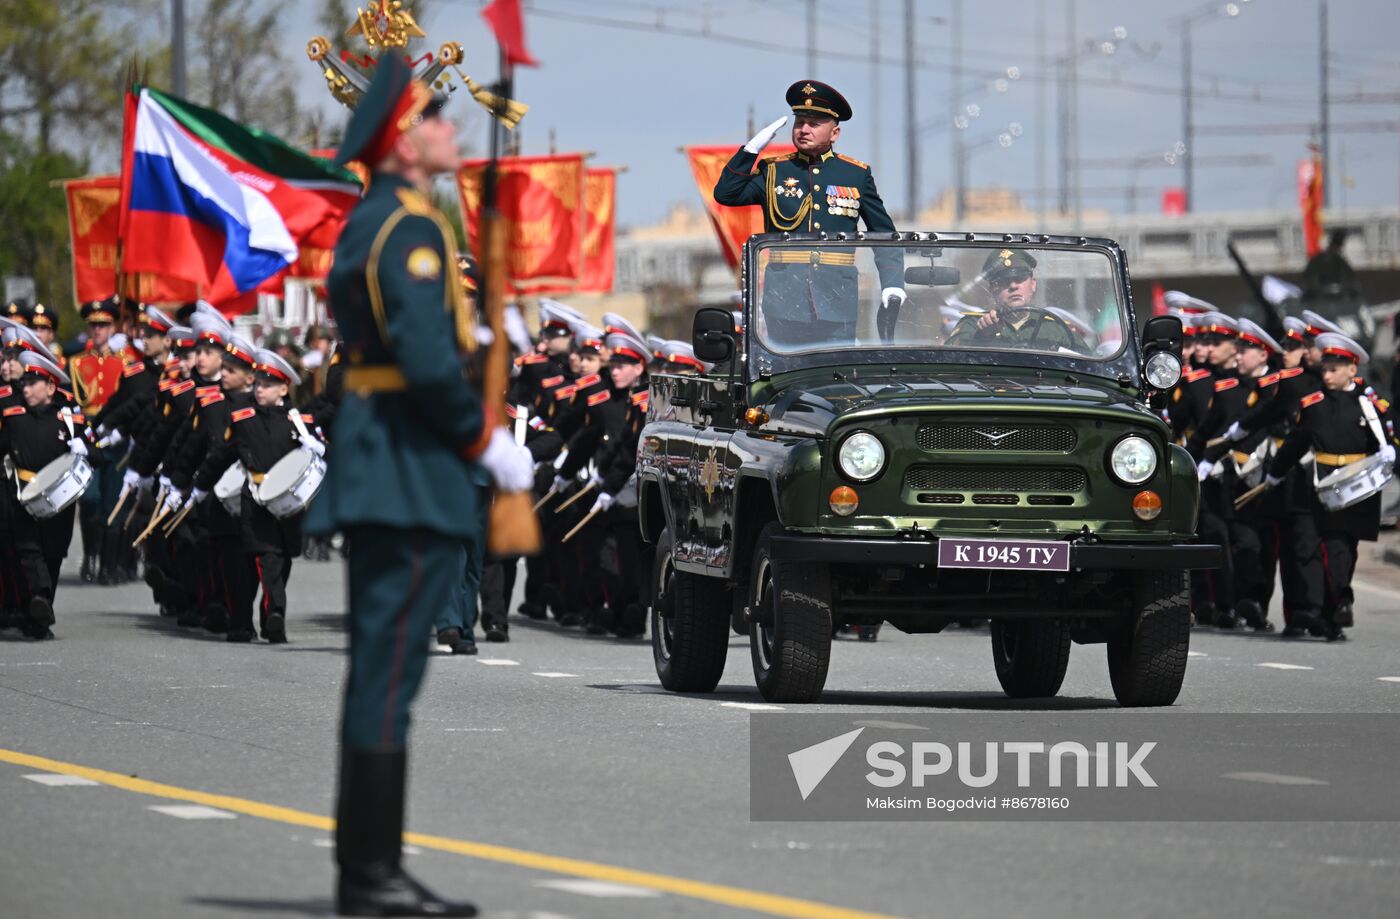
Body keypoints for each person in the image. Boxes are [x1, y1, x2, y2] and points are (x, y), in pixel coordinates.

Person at [310, 53, 532, 918]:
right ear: (403, 140)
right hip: (404, 461)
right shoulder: (406, 228)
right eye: (436, 118)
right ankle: (370, 877)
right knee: (388, 672)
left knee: (387, 672)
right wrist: (485, 436)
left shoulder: (393, 219)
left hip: (396, 455)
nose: (451, 128)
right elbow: (425, 358)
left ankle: (372, 869)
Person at [713, 80, 904, 346]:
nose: (804, 130)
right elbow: (726, 194)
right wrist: (751, 150)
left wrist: (893, 283)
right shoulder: (774, 171)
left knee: (836, 379)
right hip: (785, 302)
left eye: (814, 124)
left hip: (837, 301)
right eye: (799, 122)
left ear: (834, 133)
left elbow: (884, 234)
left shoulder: (855, 174)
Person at [1266, 332, 1395, 640]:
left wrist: (1391, 449)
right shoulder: (1314, 404)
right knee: (1329, 548)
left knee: (1346, 550)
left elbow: (1388, 437)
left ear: (1352, 369)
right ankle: (1338, 604)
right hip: (1325, 487)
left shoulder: (1369, 404)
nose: (1326, 374)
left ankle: (1335, 607)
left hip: (1360, 489)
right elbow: (1297, 441)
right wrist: (1276, 472)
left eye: (1334, 368)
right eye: (1324, 368)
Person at [0, 350, 88, 639]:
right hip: (23, 496)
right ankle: (37, 600)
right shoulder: (13, 415)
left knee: (52, 555)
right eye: (23, 383)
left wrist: (85, 448)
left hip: (59, 500)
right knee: (28, 553)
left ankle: (41, 611)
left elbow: (94, 451)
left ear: (50, 387)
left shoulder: (68, 417)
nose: (24, 388)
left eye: (32, 383)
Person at [945, 249, 1087, 352]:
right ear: (993, 289)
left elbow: (1088, 367)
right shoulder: (971, 326)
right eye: (1004, 281)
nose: (1013, 286)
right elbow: (950, 363)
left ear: (1033, 284)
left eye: (1019, 279)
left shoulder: (1057, 329)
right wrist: (983, 337)